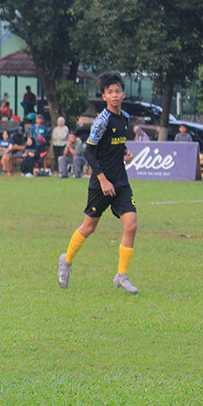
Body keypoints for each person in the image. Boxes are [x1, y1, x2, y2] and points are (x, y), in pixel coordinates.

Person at [57, 71, 138, 294]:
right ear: (104, 96)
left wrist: (125, 151)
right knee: (89, 227)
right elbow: (89, 151)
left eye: (118, 91)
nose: (115, 95)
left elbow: (115, 142)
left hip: (120, 181)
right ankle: (67, 260)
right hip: (101, 183)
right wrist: (102, 180)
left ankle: (121, 276)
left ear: (123, 94)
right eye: (110, 92)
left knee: (131, 225)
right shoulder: (102, 120)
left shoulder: (125, 117)